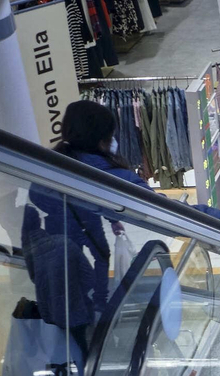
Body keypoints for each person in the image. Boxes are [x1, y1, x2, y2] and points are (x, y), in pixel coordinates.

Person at [23, 101, 153, 348]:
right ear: (102, 139)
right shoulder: (108, 173)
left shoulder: (50, 161)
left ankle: (81, 321)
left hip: (58, 230)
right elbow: (157, 205)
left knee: (70, 276)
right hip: (86, 225)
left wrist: (67, 205)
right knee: (100, 258)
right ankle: (99, 307)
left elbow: (35, 195)